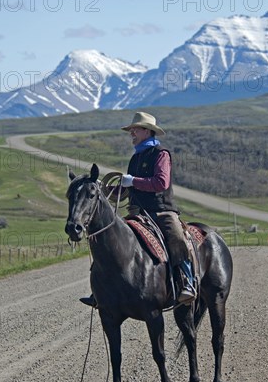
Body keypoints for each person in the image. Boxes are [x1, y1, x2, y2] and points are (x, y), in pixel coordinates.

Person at [80, 112, 196, 307]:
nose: (131, 133)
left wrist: (133, 180)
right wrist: (105, 189)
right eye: (131, 130)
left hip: (161, 211)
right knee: (112, 240)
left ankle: (187, 281)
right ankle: (100, 290)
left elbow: (161, 182)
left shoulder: (161, 154)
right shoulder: (135, 158)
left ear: (147, 131)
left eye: (135, 129)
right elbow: (127, 189)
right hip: (137, 213)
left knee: (176, 237)